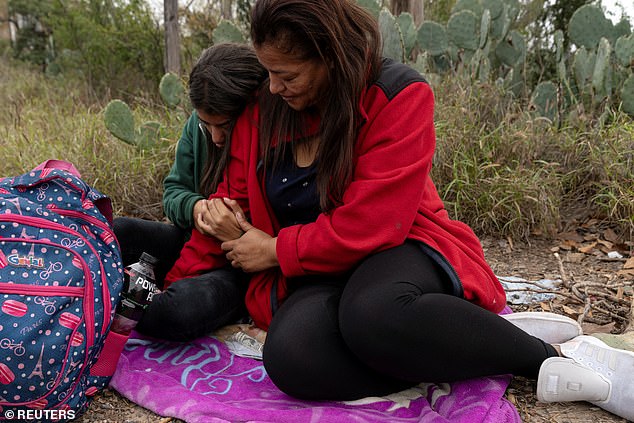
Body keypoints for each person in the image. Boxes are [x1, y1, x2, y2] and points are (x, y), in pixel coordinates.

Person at [161, 1, 633, 420]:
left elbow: (373, 225)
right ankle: (448, 337)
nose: (273, 87)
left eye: (287, 75)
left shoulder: (397, 95)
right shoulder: (265, 107)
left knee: (371, 313)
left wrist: (277, 249)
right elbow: (232, 199)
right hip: (315, 271)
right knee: (292, 357)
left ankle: (548, 357)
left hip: (398, 246)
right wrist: (176, 287)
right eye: (268, 72)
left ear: (329, 55)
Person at [112, 43, 266, 338]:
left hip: (238, 267)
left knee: (173, 311)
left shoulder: (267, 137)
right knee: (117, 232)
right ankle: (120, 293)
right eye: (207, 125)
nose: (216, 136)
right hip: (190, 241)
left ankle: (124, 298)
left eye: (225, 125)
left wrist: (237, 233)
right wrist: (198, 210)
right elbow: (173, 192)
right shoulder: (197, 126)